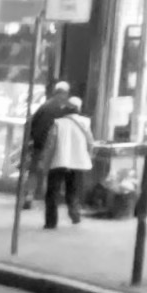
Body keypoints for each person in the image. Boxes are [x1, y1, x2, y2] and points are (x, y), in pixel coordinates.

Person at [41, 89, 95, 232]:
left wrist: (46, 162)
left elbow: (50, 145)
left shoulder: (58, 123)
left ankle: (51, 222)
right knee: (73, 189)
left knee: (52, 192)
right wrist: (87, 157)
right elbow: (90, 143)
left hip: (59, 161)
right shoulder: (85, 123)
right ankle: (75, 214)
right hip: (77, 163)